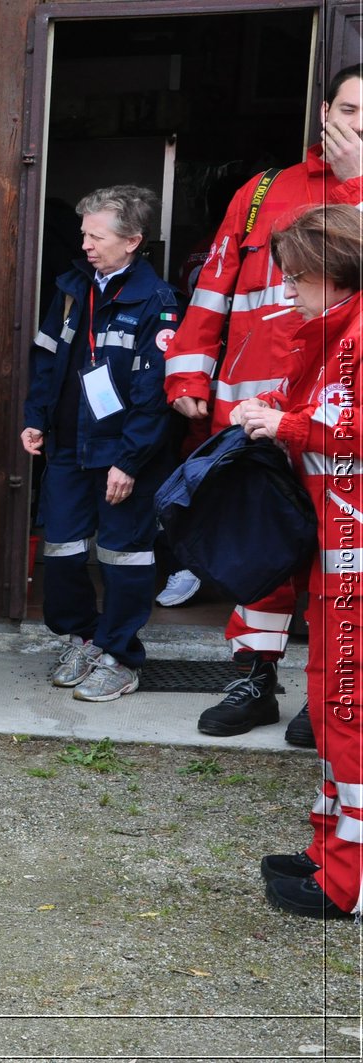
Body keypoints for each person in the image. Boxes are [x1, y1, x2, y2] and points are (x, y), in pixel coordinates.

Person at [165, 64, 363, 741]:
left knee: (335, 564)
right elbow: (215, 287)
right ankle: (253, 677)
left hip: (337, 420)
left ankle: (325, 695)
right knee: (258, 549)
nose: (358, 124)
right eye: (351, 108)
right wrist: (188, 376)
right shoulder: (263, 193)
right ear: (324, 113)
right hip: (255, 413)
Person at [235, 204, 362, 919]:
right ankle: (329, 850)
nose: (287, 291)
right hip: (337, 558)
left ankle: (349, 879)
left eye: (297, 277)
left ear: (330, 269)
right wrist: (273, 409)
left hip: (357, 561)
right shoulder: (333, 331)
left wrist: (281, 421)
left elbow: (351, 427)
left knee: (350, 714)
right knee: (334, 710)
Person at [20, 185, 176, 703]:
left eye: (96, 235)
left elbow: (155, 397)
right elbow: (46, 362)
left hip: (123, 455)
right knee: (61, 551)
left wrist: (129, 461)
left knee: (123, 558)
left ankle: (121, 656)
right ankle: (82, 638)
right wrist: (36, 418)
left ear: (132, 241)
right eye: (84, 233)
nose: (85, 243)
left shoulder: (156, 302)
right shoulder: (70, 289)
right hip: (67, 447)